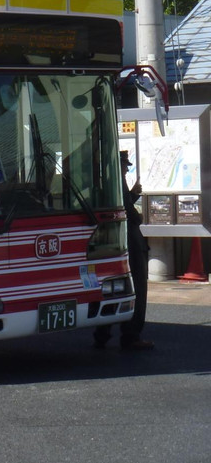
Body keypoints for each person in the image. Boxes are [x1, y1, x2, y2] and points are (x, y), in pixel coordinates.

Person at [94, 150, 153, 350]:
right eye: (124, 165)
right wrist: (138, 216)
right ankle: (131, 334)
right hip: (130, 240)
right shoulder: (117, 180)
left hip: (110, 241)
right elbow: (127, 210)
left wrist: (133, 194)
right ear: (117, 165)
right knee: (137, 286)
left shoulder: (104, 181)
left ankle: (102, 332)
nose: (126, 169)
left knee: (111, 286)